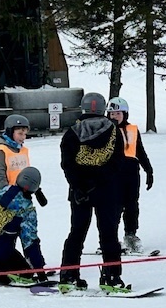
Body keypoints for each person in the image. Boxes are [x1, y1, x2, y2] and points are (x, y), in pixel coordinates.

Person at [59, 92, 126, 292]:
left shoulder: (72, 132)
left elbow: (67, 164)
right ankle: (111, 276)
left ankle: (68, 274)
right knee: (109, 233)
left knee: (77, 232)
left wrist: (80, 185)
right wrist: (99, 180)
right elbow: (117, 162)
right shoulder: (113, 131)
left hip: (80, 191)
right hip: (106, 189)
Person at [0, 167, 47, 288]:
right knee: (25, 272)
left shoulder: (3, 191)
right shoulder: (27, 210)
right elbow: (30, 242)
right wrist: (39, 270)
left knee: (12, 260)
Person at [106, 97, 154, 253]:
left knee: (132, 205)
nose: (115, 116)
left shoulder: (133, 129)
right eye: (111, 114)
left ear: (125, 114)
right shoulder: (105, 130)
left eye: (118, 113)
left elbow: (139, 150)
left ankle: (131, 235)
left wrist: (148, 170)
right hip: (114, 173)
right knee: (114, 206)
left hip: (132, 173)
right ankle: (110, 238)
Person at [0, 114, 48, 206]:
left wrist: (36, 189)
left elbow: (27, 174)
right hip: (9, 198)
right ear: (10, 132)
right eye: (20, 134)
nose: (23, 137)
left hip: (24, 197)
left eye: (25, 134)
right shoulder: (0, 151)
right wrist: (7, 197)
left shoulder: (23, 151)